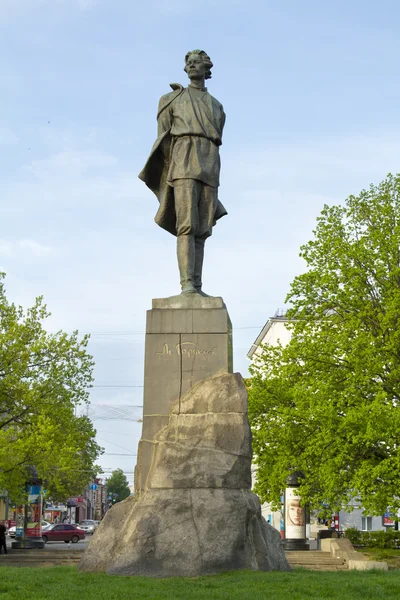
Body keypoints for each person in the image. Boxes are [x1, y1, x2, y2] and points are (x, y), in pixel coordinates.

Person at [139, 49, 227, 295]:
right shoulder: (170, 99)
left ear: (206, 68)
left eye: (196, 62)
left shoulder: (217, 106)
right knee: (186, 224)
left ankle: (197, 286)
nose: (191, 65)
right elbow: (163, 138)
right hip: (183, 160)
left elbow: (218, 134)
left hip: (209, 161)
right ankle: (186, 285)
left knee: (203, 228)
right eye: (188, 62)